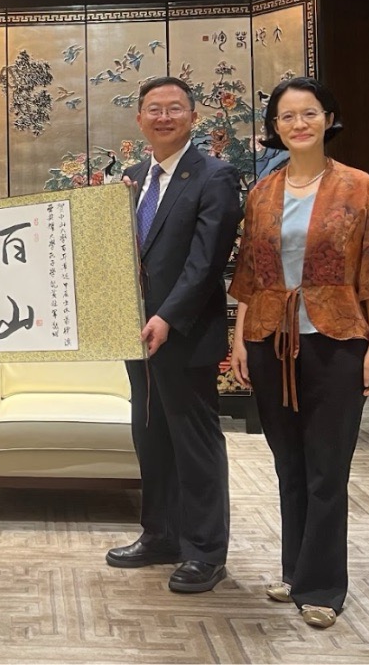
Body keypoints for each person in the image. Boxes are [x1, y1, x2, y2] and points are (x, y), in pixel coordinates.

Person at [229, 76, 369, 630]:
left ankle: (323, 584)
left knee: (328, 467)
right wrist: (238, 338)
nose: (298, 124)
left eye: (309, 113)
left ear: (328, 118)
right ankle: (295, 570)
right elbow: (249, 275)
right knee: (289, 464)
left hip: (337, 337)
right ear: (274, 128)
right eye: (286, 117)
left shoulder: (359, 186)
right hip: (269, 340)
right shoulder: (262, 191)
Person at [106, 76, 241, 594]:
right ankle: (160, 534)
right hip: (135, 334)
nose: (164, 117)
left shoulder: (215, 176)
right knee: (151, 437)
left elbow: (207, 263)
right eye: (153, 109)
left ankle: (205, 551)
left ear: (192, 117)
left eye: (175, 108)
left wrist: (167, 316)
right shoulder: (135, 178)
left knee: (194, 442)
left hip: (182, 333)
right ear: (139, 119)